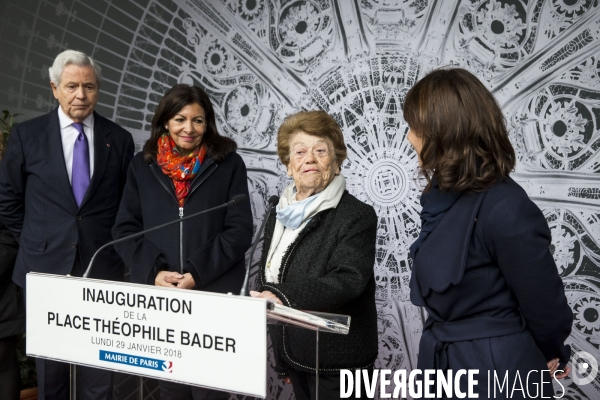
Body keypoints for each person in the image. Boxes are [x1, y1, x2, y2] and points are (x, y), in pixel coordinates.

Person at [404, 68, 573, 397]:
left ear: (444, 131)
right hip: (447, 368)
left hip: (495, 372)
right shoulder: (440, 199)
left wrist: (550, 353)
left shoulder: (504, 206)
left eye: (415, 127)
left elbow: (545, 306)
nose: (409, 138)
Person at [0, 49, 134, 400]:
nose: (81, 95)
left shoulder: (117, 139)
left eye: (89, 86)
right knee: (52, 372)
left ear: (98, 90)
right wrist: (35, 240)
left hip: (101, 266)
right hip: (44, 267)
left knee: (98, 369)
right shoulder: (27, 135)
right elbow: (8, 199)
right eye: (72, 86)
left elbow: (125, 206)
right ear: (54, 88)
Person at [112, 84, 253, 399]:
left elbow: (239, 230)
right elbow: (124, 229)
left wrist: (196, 273)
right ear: (165, 121)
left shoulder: (229, 163)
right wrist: (155, 272)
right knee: (170, 390)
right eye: (180, 119)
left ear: (208, 123)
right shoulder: (141, 165)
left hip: (214, 298)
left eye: (198, 120)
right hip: (161, 302)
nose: (189, 128)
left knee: (211, 391)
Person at [250, 110, 378, 400]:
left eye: (320, 150)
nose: (309, 158)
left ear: (336, 163)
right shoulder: (278, 212)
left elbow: (348, 281)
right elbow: (271, 277)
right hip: (295, 355)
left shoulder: (357, 215)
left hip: (340, 363)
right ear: (288, 166)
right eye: (300, 152)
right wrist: (282, 358)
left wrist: (281, 296)